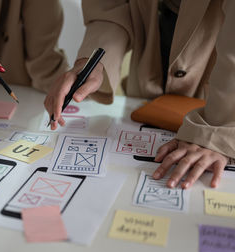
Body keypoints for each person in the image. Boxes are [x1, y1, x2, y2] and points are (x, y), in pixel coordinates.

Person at [44, 0, 235, 189]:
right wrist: (93, 62)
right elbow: (112, 8)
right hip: (146, 82)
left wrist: (217, 132)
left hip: (220, 90)